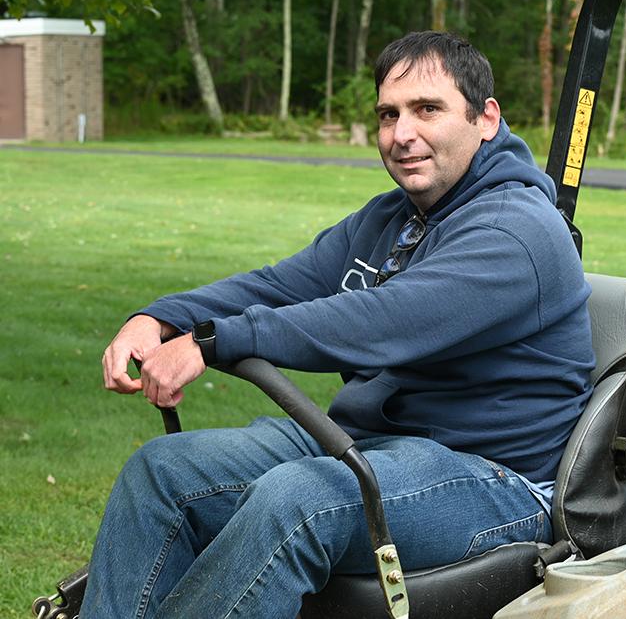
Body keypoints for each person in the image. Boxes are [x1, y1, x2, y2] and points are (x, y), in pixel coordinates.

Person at [83, 31, 595, 618]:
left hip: (490, 479)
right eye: (388, 114)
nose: (403, 135)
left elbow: (382, 319)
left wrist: (213, 341)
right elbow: (279, 286)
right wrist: (163, 317)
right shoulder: (393, 218)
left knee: (300, 499)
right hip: (373, 446)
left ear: (485, 118)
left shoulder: (515, 232)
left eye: (427, 109)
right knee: (163, 473)